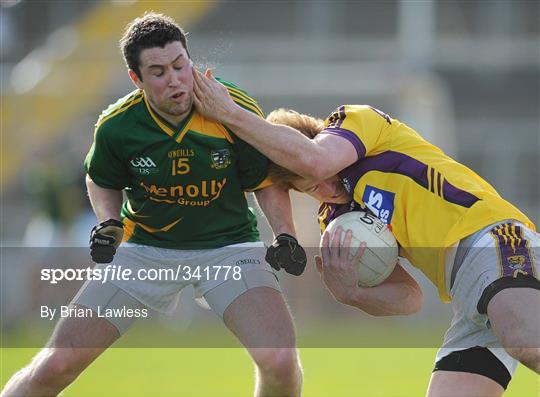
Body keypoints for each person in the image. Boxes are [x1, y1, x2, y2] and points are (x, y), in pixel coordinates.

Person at [1, 13, 306, 397]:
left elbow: (266, 178)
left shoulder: (230, 105)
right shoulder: (117, 126)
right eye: (159, 72)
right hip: (144, 251)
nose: (176, 79)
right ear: (136, 78)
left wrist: (285, 235)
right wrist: (109, 222)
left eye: (181, 65)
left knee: (279, 360)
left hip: (228, 250)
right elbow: (100, 178)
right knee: (54, 366)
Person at [191, 69, 540, 396]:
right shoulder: (337, 222)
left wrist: (231, 115)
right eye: (311, 189)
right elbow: (409, 298)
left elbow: (316, 161)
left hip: (492, 239)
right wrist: (351, 292)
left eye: (322, 179)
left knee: (526, 341)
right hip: (466, 294)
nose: (326, 188)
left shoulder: (356, 122)